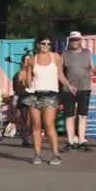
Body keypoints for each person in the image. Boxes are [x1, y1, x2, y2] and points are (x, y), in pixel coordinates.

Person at [23, 36, 75, 165]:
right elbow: (27, 80)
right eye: (43, 43)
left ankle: (56, 154)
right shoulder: (31, 60)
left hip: (51, 94)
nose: (46, 46)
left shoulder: (56, 57)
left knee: (49, 124)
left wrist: (69, 86)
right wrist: (26, 80)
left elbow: (60, 74)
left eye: (49, 44)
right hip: (34, 94)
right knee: (35, 126)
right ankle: (37, 155)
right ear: (37, 45)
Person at [62, 31, 95, 152]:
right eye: (72, 40)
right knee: (69, 116)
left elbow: (92, 68)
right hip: (68, 90)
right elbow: (60, 73)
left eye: (77, 39)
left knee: (82, 115)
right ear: (69, 41)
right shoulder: (64, 54)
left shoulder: (87, 53)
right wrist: (68, 85)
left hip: (85, 88)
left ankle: (81, 142)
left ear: (81, 40)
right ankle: (70, 142)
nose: (75, 42)